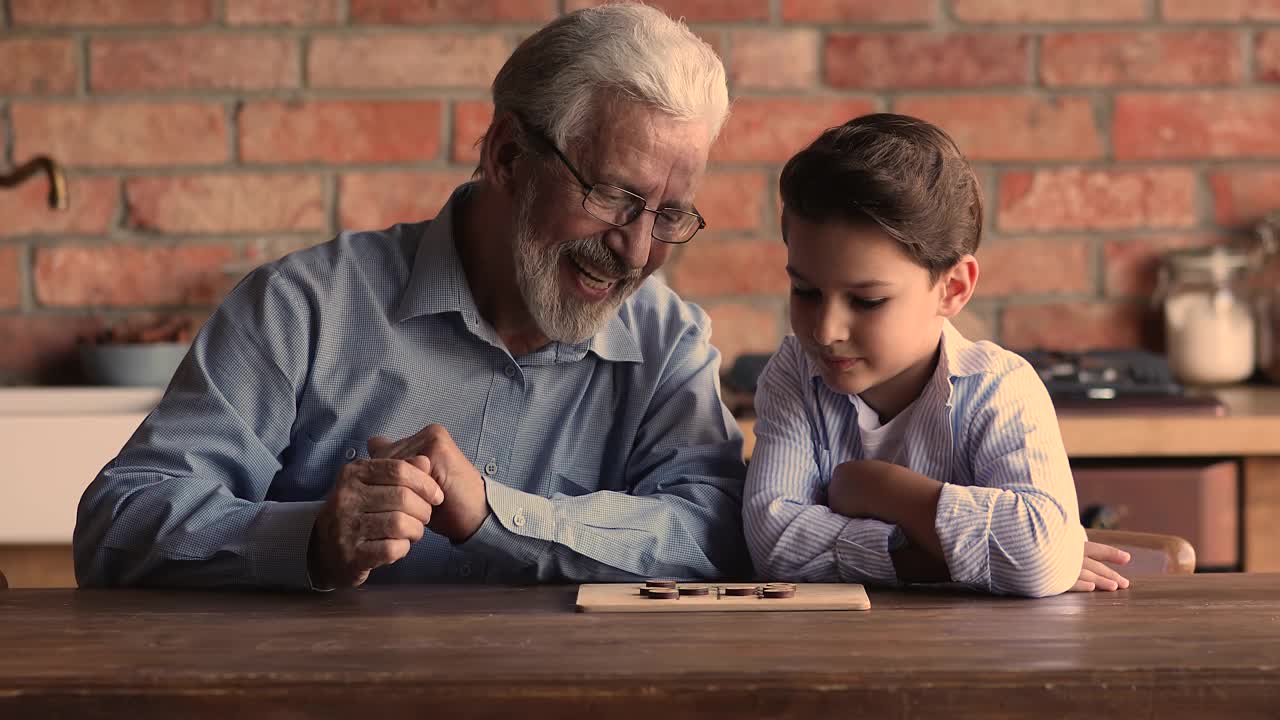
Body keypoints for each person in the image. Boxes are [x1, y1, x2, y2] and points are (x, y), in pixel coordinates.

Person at [74, 3, 751, 590]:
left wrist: (495, 514)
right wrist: (308, 539)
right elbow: (118, 526)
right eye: (613, 196)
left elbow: (714, 533)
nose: (636, 250)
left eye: (667, 215)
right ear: (509, 156)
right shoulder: (302, 308)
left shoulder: (669, 343)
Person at [743, 114, 1130, 597]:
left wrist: (878, 488)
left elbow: (1040, 555)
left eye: (867, 301)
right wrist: (937, 555)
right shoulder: (794, 374)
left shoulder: (1001, 387)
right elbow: (772, 543)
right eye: (804, 290)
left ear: (952, 288)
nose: (825, 329)